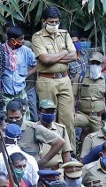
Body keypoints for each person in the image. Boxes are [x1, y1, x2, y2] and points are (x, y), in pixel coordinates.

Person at [31, 6, 78, 137]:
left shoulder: (64, 34)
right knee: (48, 117)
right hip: (46, 80)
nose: (54, 25)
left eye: (56, 22)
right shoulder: (37, 37)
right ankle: (48, 149)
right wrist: (64, 52)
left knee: (67, 118)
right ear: (44, 21)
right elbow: (45, 59)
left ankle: (69, 151)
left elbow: (74, 56)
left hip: (64, 79)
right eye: (51, 22)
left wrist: (54, 58)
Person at [73, 52, 106, 139]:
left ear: (102, 64)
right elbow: (73, 96)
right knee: (68, 122)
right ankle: (72, 150)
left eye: (97, 63)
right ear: (89, 63)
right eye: (92, 62)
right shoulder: (80, 76)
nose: (94, 65)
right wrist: (72, 111)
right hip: (83, 115)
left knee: (101, 138)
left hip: (98, 117)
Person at [1, 25, 36, 112]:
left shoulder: (26, 51)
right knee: (7, 119)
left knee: (24, 118)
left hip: (21, 92)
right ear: (13, 40)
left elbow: (37, 65)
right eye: (21, 39)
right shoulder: (0, 50)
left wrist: (26, 75)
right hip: (5, 94)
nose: (23, 41)